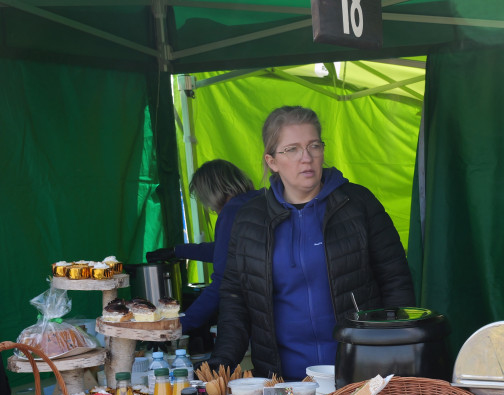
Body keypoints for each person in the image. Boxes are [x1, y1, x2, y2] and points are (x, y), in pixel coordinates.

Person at [209, 106, 415, 380]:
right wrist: (221, 364)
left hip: (360, 372)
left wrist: (392, 354)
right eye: (292, 149)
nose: (306, 158)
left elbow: (396, 280)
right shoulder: (250, 220)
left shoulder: (358, 204)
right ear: (271, 161)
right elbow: (236, 298)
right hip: (284, 380)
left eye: (314, 146)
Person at [147, 160, 259, 335]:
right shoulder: (258, 202)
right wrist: (177, 251)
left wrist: (182, 323)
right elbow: (228, 250)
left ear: (212, 191)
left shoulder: (232, 211)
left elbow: (224, 279)